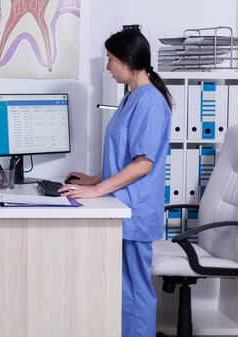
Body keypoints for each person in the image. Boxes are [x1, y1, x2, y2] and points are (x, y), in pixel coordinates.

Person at [58, 28, 172, 337]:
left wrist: (95, 190)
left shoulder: (148, 102)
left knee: (134, 291)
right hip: (121, 205)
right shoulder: (132, 98)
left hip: (134, 210)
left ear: (126, 60)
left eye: (110, 60)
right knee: (122, 288)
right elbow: (124, 157)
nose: (107, 67)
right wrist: (92, 177)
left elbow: (143, 164)